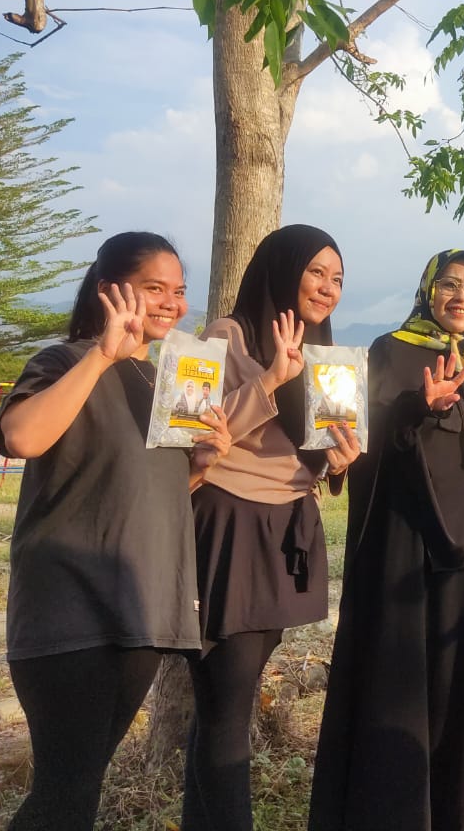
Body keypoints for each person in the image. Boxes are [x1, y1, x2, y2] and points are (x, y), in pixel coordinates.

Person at [0, 232, 231, 831]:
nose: (171, 304)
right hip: (69, 613)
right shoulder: (64, 360)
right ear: (109, 291)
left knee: (79, 790)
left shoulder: (161, 384)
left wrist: (201, 465)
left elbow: (146, 495)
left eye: (178, 292)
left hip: (140, 615)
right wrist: (103, 354)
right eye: (154, 288)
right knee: (64, 794)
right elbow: (22, 438)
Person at [308, 248, 464, 831]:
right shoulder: (391, 352)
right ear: (427, 291)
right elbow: (358, 447)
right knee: (396, 686)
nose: (462, 296)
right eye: (449, 284)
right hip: (400, 547)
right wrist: (418, 406)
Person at [182, 225, 362, 831]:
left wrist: (337, 462)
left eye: (337, 279)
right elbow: (190, 439)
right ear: (281, 271)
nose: (327, 288)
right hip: (229, 526)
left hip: (287, 527)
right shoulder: (223, 336)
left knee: (224, 709)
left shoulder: (327, 357)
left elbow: (313, 457)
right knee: (225, 709)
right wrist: (270, 380)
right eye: (317, 272)